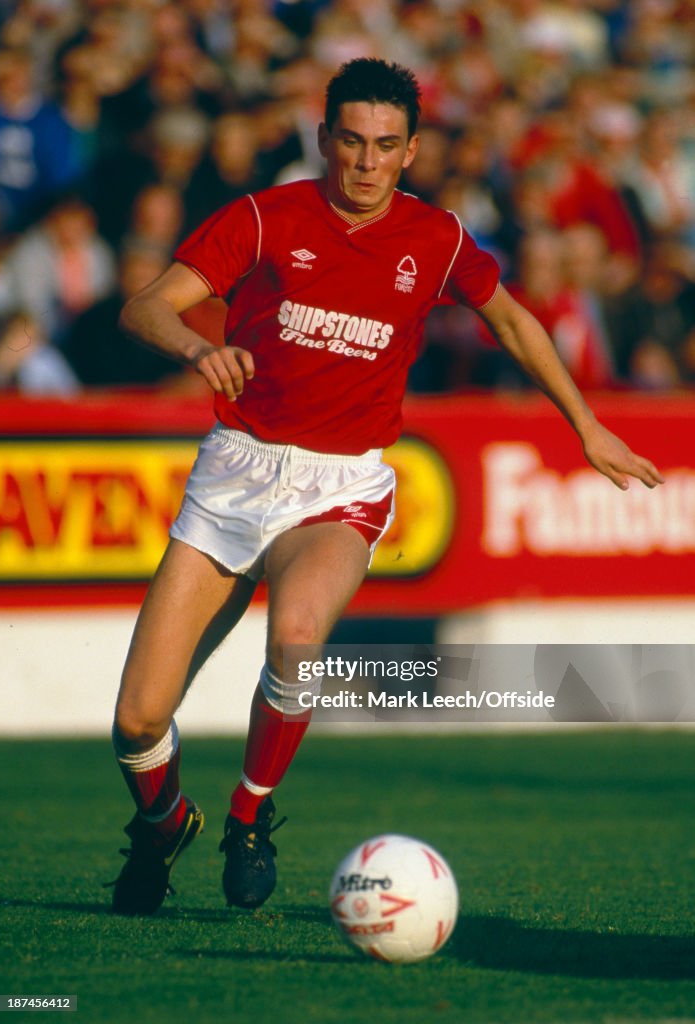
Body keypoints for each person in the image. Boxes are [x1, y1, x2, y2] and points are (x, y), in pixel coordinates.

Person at [107, 58, 663, 917]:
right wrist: (193, 346)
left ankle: (246, 819)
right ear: (325, 138)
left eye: (386, 146)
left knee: (295, 637)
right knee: (138, 722)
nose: (366, 163)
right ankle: (164, 822)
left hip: (341, 485)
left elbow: (511, 318)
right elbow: (146, 305)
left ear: (411, 152)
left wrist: (585, 425)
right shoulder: (263, 217)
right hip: (236, 472)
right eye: (352, 142)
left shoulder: (434, 237)